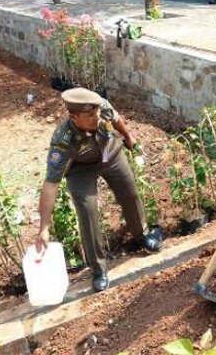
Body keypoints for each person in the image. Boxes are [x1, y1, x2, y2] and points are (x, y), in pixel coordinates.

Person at [35, 88, 164, 292]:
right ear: (73, 116)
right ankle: (98, 268)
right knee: (87, 210)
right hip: (80, 168)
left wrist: (128, 135)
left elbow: (116, 118)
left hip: (110, 153)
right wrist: (44, 227)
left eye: (97, 113)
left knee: (129, 192)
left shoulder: (100, 107)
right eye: (89, 116)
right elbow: (50, 184)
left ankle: (142, 235)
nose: (96, 118)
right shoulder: (62, 141)